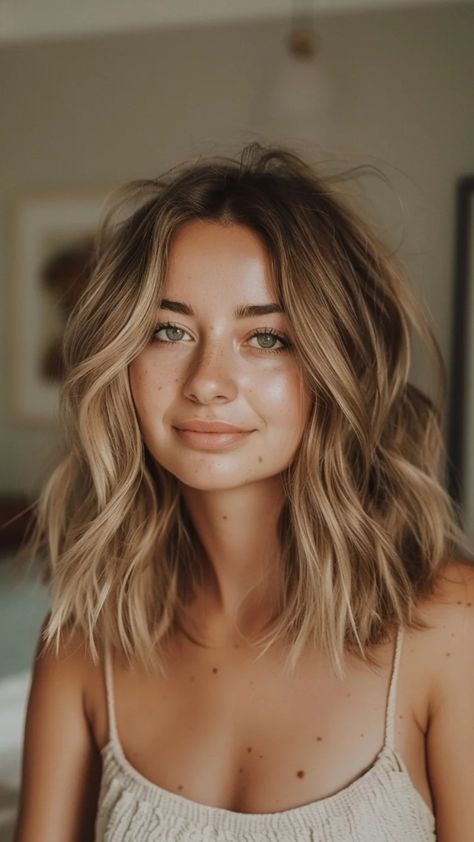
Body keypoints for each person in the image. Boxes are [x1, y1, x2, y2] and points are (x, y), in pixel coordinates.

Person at [13, 143, 474, 841]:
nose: (207, 380)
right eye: (169, 331)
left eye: (267, 338)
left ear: (338, 360)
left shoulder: (450, 629)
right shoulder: (84, 637)